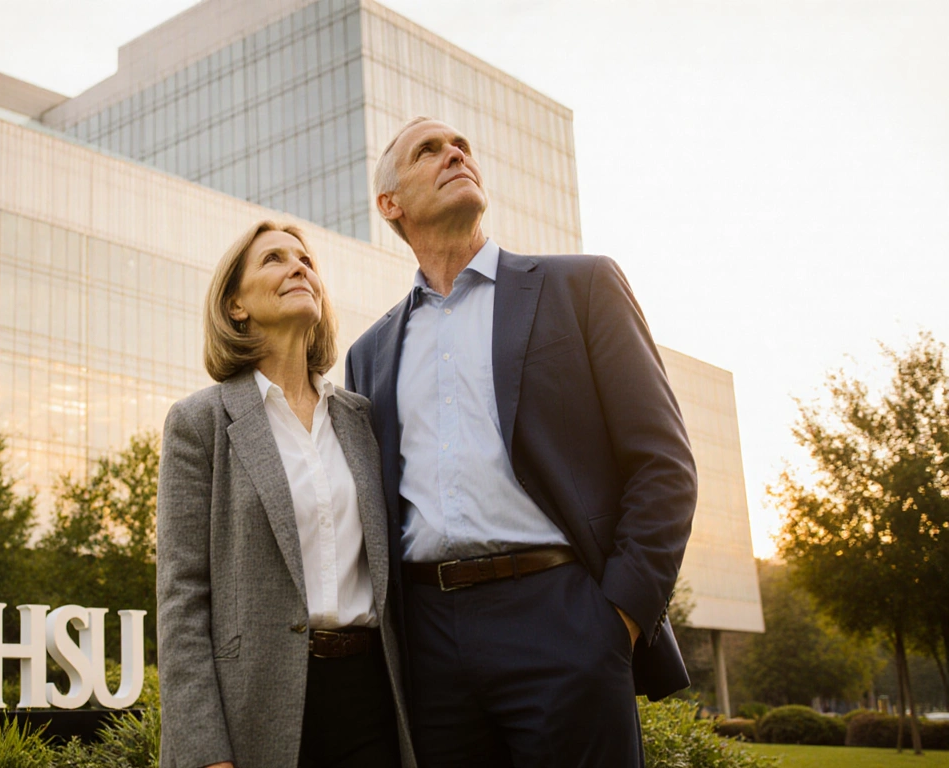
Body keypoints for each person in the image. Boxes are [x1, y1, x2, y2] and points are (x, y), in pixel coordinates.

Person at [344, 117, 698, 767]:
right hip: (430, 641)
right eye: (429, 150)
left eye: (462, 146)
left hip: (563, 616)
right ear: (389, 204)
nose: (454, 152)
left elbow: (664, 463)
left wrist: (617, 618)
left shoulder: (582, 286)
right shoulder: (369, 355)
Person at [157, 220, 415, 768]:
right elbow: (182, 599)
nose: (299, 266)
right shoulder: (198, 423)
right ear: (235, 306)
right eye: (274, 259)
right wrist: (204, 751)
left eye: (306, 261)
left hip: (371, 700)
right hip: (254, 707)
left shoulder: (361, 419)